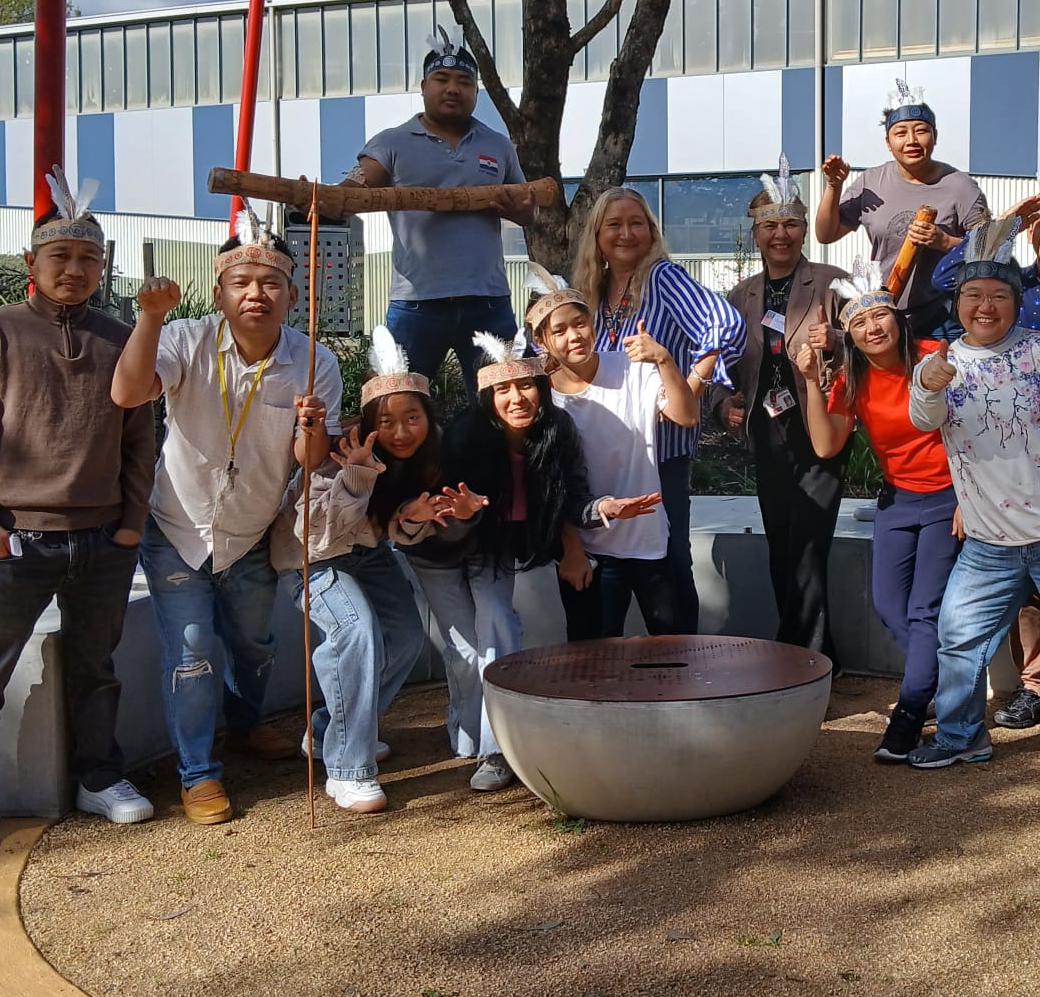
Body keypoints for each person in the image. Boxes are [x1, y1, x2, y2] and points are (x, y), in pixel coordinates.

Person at [0, 170, 157, 858]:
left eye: (90, 258)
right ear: (31, 264)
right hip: (17, 540)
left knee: (97, 668)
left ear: (104, 265)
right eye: (60, 257)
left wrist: (131, 521)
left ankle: (99, 777)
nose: (75, 269)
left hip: (103, 539)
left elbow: (142, 437)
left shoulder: (123, 338)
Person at [111, 210, 341, 825]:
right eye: (241, 282)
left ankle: (245, 725)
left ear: (293, 294)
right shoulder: (184, 339)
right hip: (177, 527)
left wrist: (311, 429)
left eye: (270, 283)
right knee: (191, 651)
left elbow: (311, 462)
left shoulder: (314, 360)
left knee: (256, 645)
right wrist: (150, 316)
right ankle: (198, 773)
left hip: (252, 532)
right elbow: (128, 393)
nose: (256, 294)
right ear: (218, 292)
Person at [904, 217, 1040, 796]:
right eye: (974, 295)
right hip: (986, 540)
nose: (986, 306)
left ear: (1015, 301)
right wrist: (928, 383)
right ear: (957, 301)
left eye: (998, 296)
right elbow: (923, 421)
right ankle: (960, 735)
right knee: (957, 639)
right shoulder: (940, 363)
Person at [408, 332, 663, 790]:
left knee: (497, 625)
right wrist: (463, 513)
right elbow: (439, 518)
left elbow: (569, 499)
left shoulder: (556, 432)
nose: (516, 398)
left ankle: (497, 748)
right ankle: (467, 729)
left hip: (495, 549)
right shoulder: (464, 437)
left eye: (524, 387)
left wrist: (603, 510)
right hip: (441, 551)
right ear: (488, 396)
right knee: (466, 648)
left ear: (541, 389)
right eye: (503, 390)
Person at [268, 328, 447, 814]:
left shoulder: (424, 459)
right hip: (312, 559)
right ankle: (348, 769)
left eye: (412, 417)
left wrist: (412, 519)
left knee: (407, 637)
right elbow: (317, 532)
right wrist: (357, 474)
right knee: (356, 629)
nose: (401, 431)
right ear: (369, 420)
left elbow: (386, 527)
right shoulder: (339, 451)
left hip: (366, 554)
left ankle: (331, 728)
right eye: (387, 420)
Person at [793, 258, 960, 762]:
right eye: (858, 323)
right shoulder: (852, 379)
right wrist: (809, 384)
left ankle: (909, 711)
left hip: (950, 497)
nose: (872, 328)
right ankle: (942, 687)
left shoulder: (938, 355)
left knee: (924, 610)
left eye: (879, 317)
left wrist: (975, 500)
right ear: (850, 335)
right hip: (898, 499)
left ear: (898, 319)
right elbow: (825, 445)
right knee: (890, 606)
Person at [571, 186, 744, 629]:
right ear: (597, 234)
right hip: (604, 453)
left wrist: (688, 388)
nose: (626, 233)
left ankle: (681, 670)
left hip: (659, 453)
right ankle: (606, 678)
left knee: (665, 564)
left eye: (637, 223)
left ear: (651, 230)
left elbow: (726, 325)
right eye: (614, 224)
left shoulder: (662, 278)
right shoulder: (590, 292)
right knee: (607, 561)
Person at [344, 25, 535, 395]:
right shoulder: (391, 143)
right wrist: (322, 197)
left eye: (464, 81)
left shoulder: (498, 146)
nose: (453, 88)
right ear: (423, 87)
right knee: (393, 397)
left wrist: (524, 211)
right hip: (415, 304)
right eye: (442, 79)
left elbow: (528, 213)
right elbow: (354, 188)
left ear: (475, 91)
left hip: (488, 300)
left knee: (505, 401)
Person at [713, 159, 850, 652]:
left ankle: (802, 655)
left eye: (791, 223)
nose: (781, 234)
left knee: (808, 544)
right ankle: (811, 648)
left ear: (803, 231)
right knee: (781, 543)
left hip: (820, 425)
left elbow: (876, 341)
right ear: (755, 233)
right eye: (769, 224)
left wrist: (835, 337)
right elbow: (720, 367)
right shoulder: (739, 295)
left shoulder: (834, 283)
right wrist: (721, 404)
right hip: (767, 431)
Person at [526, 264, 702, 639]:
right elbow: (550, 485)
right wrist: (570, 549)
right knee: (592, 662)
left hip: (649, 541)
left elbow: (686, 416)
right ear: (542, 341)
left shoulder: (632, 370)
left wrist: (663, 359)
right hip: (588, 550)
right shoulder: (542, 401)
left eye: (580, 323)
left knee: (673, 653)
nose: (574, 336)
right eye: (559, 330)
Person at [813, 78, 989, 337]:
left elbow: (992, 247)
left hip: (944, 317)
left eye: (920, 130)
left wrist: (945, 241)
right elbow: (825, 235)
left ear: (935, 136)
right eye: (900, 133)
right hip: (886, 312)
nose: (912, 140)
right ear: (888, 141)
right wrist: (833, 186)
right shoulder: (872, 182)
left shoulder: (960, 186)